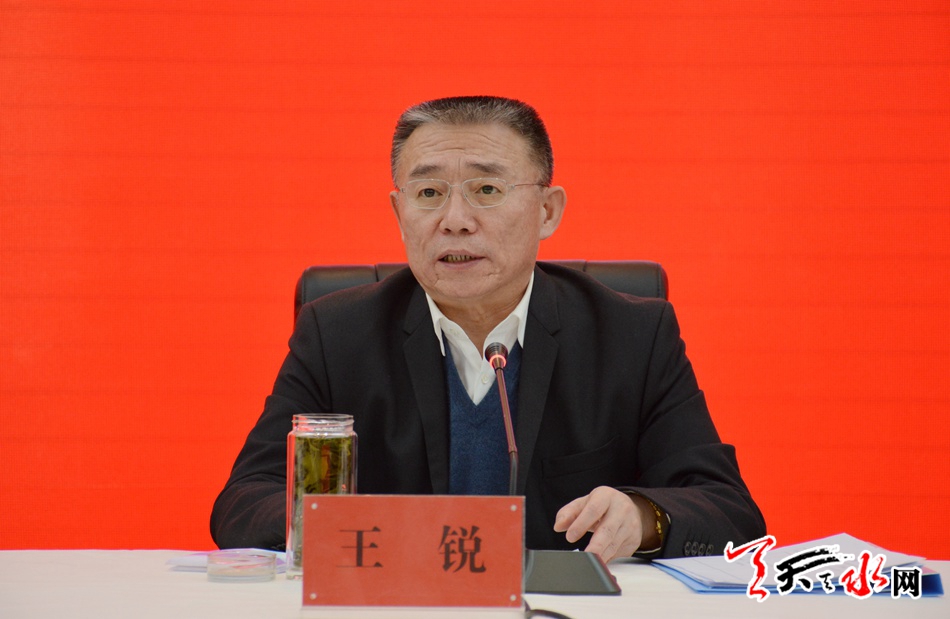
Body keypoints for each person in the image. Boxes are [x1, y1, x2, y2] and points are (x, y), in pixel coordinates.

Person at [211, 96, 765, 561]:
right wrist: (347, 529)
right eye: (429, 194)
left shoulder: (631, 336)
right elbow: (244, 501)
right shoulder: (337, 335)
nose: (455, 220)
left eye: (487, 190)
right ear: (399, 214)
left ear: (547, 211)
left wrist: (643, 517)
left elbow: (728, 510)